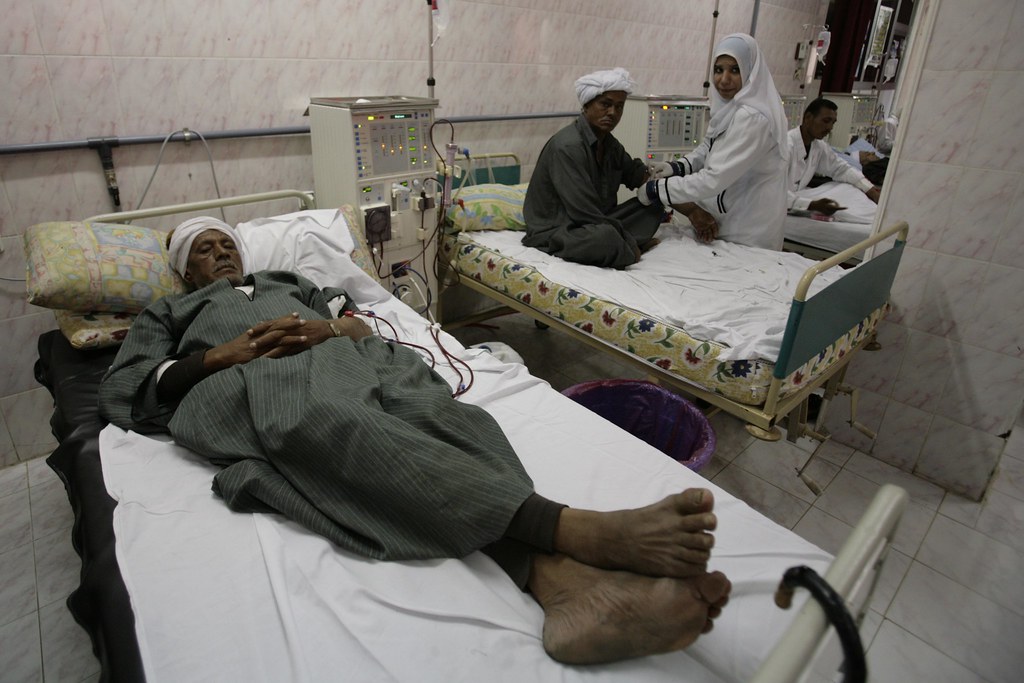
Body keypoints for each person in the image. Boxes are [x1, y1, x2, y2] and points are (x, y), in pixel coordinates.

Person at [98, 216, 732, 665]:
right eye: (204, 251)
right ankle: (574, 530)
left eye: (225, 244)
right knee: (330, 424)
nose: (221, 255)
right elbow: (128, 385)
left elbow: (355, 321)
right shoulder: (175, 313)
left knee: (450, 419)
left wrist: (329, 331)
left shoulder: (287, 284)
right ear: (185, 271)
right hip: (245, 385)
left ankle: (559, 585)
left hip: (343, 361)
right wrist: (218, 357)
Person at [636, 33, 790, 250]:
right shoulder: (729, 109)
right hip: (720, 224)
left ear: (750, 71)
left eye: (734, 70)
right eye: (719, 70)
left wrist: (656, 189)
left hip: (746, 231)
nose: (724, 80)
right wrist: (676, 167)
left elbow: (713, 178)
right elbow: (708, 147)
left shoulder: (753, 118)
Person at [522, 67, 666, 269]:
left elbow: (639, 176)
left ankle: (622, 244)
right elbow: (584, 213)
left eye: (619, 107)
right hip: (561, 230)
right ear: (587, 105)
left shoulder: (609, 144)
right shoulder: (567, 147)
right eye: (605, 104)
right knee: (604, 237)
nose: (612, 113)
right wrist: (626, 242)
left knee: (653, 202)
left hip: (596, 221)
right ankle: (626, 245)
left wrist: (691, 208)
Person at [786, 98, 881, 215]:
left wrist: (870, 189)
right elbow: (772, 190)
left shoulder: (818, 146)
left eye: (833, 123)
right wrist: (812, 205)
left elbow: (841, 169)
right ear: (808, 118)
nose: (830, 128)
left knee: (848, 188)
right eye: (826, 121)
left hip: (798, 196)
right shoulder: (786, 146)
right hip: (777, 204)